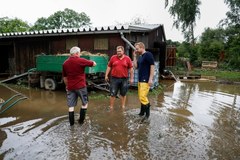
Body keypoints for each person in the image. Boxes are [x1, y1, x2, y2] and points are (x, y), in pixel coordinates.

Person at [62, 46, 96, 126]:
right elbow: (93, 64)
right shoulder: (80, 60)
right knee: (85, 103)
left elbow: (65, 77)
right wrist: (93, 62)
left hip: (70, 87)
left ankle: (71, 125)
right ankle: (81, 122)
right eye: (79, 53)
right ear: (77, 53)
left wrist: (67, 86)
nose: (80, 54)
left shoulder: (65, 63)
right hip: (81, 87)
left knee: (71, 106)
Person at [133, 42, 155, 119]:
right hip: (140, 79)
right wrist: (135, 57)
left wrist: (150, 79)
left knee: (143, 96)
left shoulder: (148, 54)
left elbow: (152, 66)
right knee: (140, 97)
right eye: (136, 49)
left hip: (145, 80)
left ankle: (147, 115)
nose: (136, 50)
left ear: (142, 47)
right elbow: (135, 67)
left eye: (137, 49)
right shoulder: (140, 57)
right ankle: (142, 113)